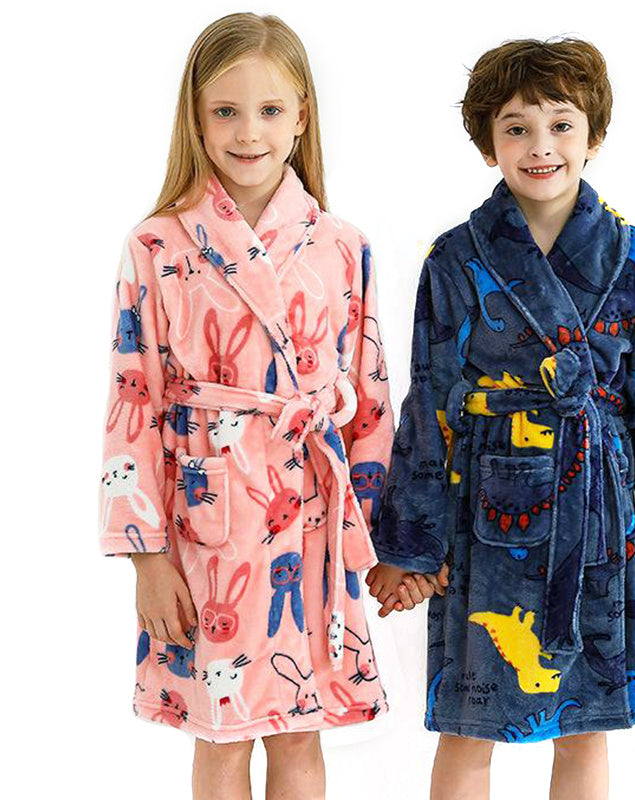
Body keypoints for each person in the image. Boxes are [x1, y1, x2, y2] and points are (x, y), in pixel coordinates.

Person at [365, 37, 635, 800]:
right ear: (489, 145)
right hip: (484, 513)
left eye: (560, 124)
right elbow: (428, 402)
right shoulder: (456, 258)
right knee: (468, 724)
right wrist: (414, 545)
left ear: (594, 136)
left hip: (599, 516)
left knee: (587, 725)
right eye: (516, 128)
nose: (540, 146)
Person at [98, 12, 394, 800]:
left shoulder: (343, 245)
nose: (248, 132)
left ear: (301, 118)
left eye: (269, 110)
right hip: (208, 530)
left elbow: (368, 401)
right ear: (196, 118)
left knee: (300, 732)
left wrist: (382, 536)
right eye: (226, 111)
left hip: (311, 523)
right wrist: (146, 557)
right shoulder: (156, 245)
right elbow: (133, 404)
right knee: (222, 737)